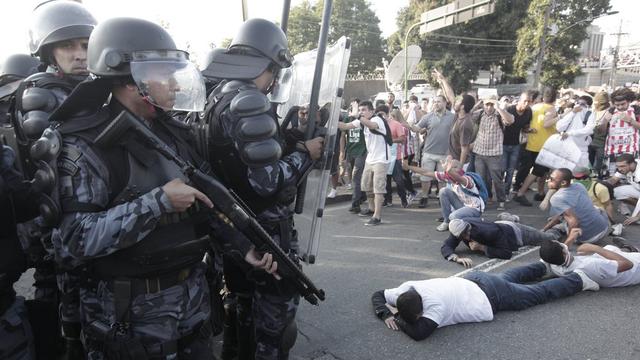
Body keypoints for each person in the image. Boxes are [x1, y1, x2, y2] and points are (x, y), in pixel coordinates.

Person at [50, 17, 277, 359]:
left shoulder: (173, 133)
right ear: (129, 80)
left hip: (190, 302)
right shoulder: (86, 146)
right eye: (163, 74)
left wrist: (242, 247)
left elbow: (207, 202)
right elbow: (72, 242)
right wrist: (157, 203)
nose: (173, 85)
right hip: (131, 314)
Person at [200, 18, 324, 360]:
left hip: (234, 229)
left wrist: (288, 142)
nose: (273, 81)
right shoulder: (250, 100)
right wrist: (307, 156)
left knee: (241, 308)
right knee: (274, 329)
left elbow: (238, 162)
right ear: (268, 64)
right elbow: (266, 182)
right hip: (266, 230)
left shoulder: (218, 96)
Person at [14, 1, 98, 356]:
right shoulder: (43, 93)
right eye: (68, 46)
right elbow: (54, 168)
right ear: (49, 50)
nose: (80, 55)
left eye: (85, 44)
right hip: (61, 217)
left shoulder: (89, 86)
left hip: (89, 214)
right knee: (69, 304)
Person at [371, 262, 598, 341]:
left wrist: (396, 316)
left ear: (422, 310)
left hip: (490, 296)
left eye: (419, 316)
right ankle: (541, 266)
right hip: (475, 280)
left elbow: (420, 333)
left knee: (535, 294)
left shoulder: (434, 308)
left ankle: (579, 280)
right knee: (507, 278)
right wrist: (386, 312)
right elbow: (378, 294)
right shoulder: (405, 290)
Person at [339, 101, 389, 225]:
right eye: (360, 110)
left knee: (378, 189)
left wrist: (357, 115)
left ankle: (377, 216)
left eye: (364, 110)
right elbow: (345, 126)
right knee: (366, 185)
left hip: (381, 159)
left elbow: (372, 125)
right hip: (370, 159)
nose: (361, 112)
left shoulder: (378, 119)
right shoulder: (361, 121)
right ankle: (371, 208)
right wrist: (332, 118)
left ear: (372, 111)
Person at [401, 95, 454, 208]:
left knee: (442, 179)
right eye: (434, 101)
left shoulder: (452, 117)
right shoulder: (428, 116)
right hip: (429, 152)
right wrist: (410, 126)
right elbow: (417, 128)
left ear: (445, 103)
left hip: (445, 153)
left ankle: (441, 197)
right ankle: (424, 197)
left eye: (439, 102)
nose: (436, 103)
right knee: (425, 178)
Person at [404, 159, 485, 231]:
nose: (446, 171)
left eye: (450, 168)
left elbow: (458, 179)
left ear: (458, 169)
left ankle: (477, 221)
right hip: (463, 206)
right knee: (443, 191)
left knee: (453, 217)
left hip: (474, 209)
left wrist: (449, 170)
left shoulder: (467, 179)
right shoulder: (448, 177)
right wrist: (408, 167)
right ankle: (446, 222)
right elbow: (426, 172)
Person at [442, 217, 559, 265]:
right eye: (462, 236)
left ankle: (560, 227)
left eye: (467, 232)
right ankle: (510, 217)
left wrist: (482, 248)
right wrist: (457, 258)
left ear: (468, 226)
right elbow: (447, 246)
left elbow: (507, 253)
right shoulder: (458, 228)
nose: (467, 237)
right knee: (540, 233)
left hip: (516, 233)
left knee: (548, 238)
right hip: (499, 226)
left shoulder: (488, 232)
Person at [513, 87, 558, 206]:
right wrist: (560, 117)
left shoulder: (535, 107)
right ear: (555, 98)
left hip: (532, 143)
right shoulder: (551, 109)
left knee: (542, 171)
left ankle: (541, 192)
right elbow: (547, 123)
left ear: (543, 97)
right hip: (544, 145)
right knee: (537, 171)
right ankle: (520, 193)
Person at [542, 168, 610, 246]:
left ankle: (557, 233)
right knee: (593, 208)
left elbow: (574, 222)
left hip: (589, 238)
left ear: (563, 182)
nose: (548, 181)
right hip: (604, 227)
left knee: (559, 226)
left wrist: (566, 246)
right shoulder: (579, 185)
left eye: (551, 179)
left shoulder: (556, 198)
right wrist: (545, 228)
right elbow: (561, 214)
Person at [471, 94, 514, 211]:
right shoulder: (480, 114)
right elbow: (468, 115)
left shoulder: (500, 115)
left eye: (491, 104)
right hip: (479, 152)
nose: (489, 107)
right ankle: (485, 199)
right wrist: (478, 104)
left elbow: (510, 120)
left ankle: (501, 200)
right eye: (487, 104)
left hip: (495, 154)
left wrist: (499, 108)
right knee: (481, 179)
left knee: (497, 179)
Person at [540, 240, 640, 288]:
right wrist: (595, 248)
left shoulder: (558, 268)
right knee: (606, 249)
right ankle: (630, 249)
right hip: (635, 268)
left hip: (608, 269)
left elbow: (561, 255)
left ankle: (629, 249)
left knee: (607, 249)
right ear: (564, 252)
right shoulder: (592, 264)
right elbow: (628, 264)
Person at [600, 88, 640, 175]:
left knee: (628, 176)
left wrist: (631, 121)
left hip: (630, 149)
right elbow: (601, 132)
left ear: (629, 101)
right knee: (610, 175)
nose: (620, 107)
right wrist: (605, 121)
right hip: (612, 150)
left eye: (623, 104)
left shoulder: (636, 110)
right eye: (617, 105)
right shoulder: (610, 111)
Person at [503, 91, 532, 195]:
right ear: (519, 101)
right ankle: (500, 192)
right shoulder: (510, 109)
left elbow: (524, 128)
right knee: (502, 170)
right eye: (525, 101)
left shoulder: (529, 112)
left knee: (510, 171)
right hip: (503, 144)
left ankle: (506, 193)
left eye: (529, 101)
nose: (526, 104)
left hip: (516, 144)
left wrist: (529, 130)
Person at [556, 95, 596, 168]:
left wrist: (569, 133)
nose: (579, 106)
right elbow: (559, 127)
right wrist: (572, 113)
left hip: (581, 151)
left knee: (579, 175)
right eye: (577, 103)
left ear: (588, 106)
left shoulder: (590, 114)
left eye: (582, 104)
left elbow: (588, 130)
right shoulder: (570, 112)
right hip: (565, 148)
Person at [342, 98, 368, 213]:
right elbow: (343, 135)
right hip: (350, 151)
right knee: (354, 178)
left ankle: (355, 204)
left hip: (361, 152)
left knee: (355, 177)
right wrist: (342, 152)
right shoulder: (347, 119)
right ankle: (362, 195)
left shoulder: (363, 121)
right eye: (353, 107)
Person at [384, 109, 408, 208]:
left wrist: (391, 140)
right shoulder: (377, 124)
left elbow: (402, 139)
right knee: (386, 180)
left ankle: (403, 198)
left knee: (399, 180)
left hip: (395, 156)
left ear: (387, 114)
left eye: (383, 114)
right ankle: (387, 199)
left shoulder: (396, 124)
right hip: (383, 156)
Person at [608, 154, 640, 225]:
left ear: (631, 164)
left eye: (622, 166)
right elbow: (613, 179)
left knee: (636, 219)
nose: (619, 169)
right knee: (615, 192)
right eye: (618, 166)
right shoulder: (632, 164)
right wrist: (601, 185)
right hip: (637, 188)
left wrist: (638, 216)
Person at [590, 91, 611, 178]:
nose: (595, 104)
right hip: (591, 142)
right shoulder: (594, 111)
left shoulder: (609, 112)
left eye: (597, 102)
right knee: (590, 166)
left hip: (602, 144)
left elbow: (604, 130)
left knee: (598, 167)